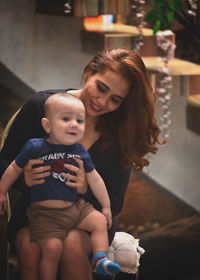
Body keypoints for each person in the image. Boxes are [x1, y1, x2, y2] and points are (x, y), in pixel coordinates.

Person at [0, 48, 161, 280]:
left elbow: (114, 202)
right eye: (101, 88)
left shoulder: (120, 132)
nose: (102, 102)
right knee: (30, 247)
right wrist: (26, 175)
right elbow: (4, 162)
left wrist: (84, 186)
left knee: (74, 244)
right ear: (88, 72)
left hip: (90, 221)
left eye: (115, 99)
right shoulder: (41, 106)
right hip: (36, 213)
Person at [0, 93, 121, 279]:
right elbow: (13, 169)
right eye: (66, 119)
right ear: (47, 125)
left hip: (75, 209)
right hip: (46, 214)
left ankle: (100, 258)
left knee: (98, 220)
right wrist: (1, 192)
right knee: (52, 249)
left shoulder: (79, 151)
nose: (74, 124)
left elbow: (96, 179)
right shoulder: (35, 147)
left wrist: (105, 206)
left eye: (80, 121)